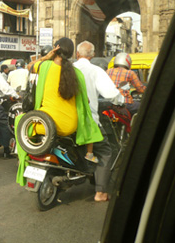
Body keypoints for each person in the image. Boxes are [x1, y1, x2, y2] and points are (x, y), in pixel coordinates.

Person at [17, 38, 103, 187]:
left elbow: (29, 66)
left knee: (20, 120)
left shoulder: (44, 66)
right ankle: (89, 156)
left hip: (42, 125)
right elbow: (86, 101)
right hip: (69, 126)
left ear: (56, 49)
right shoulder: (76, 73)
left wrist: (46, 56)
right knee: (90, 123)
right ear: (71, 54)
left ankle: (22, 159)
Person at [73, 41, 125, 202]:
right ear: (92, 55)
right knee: (105, 151)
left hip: (64, 120)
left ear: (77, 54)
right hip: (88, 121)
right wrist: (121, 100)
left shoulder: (67, 69)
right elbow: (110, 93)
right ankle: (101, 192)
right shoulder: (95, 70)